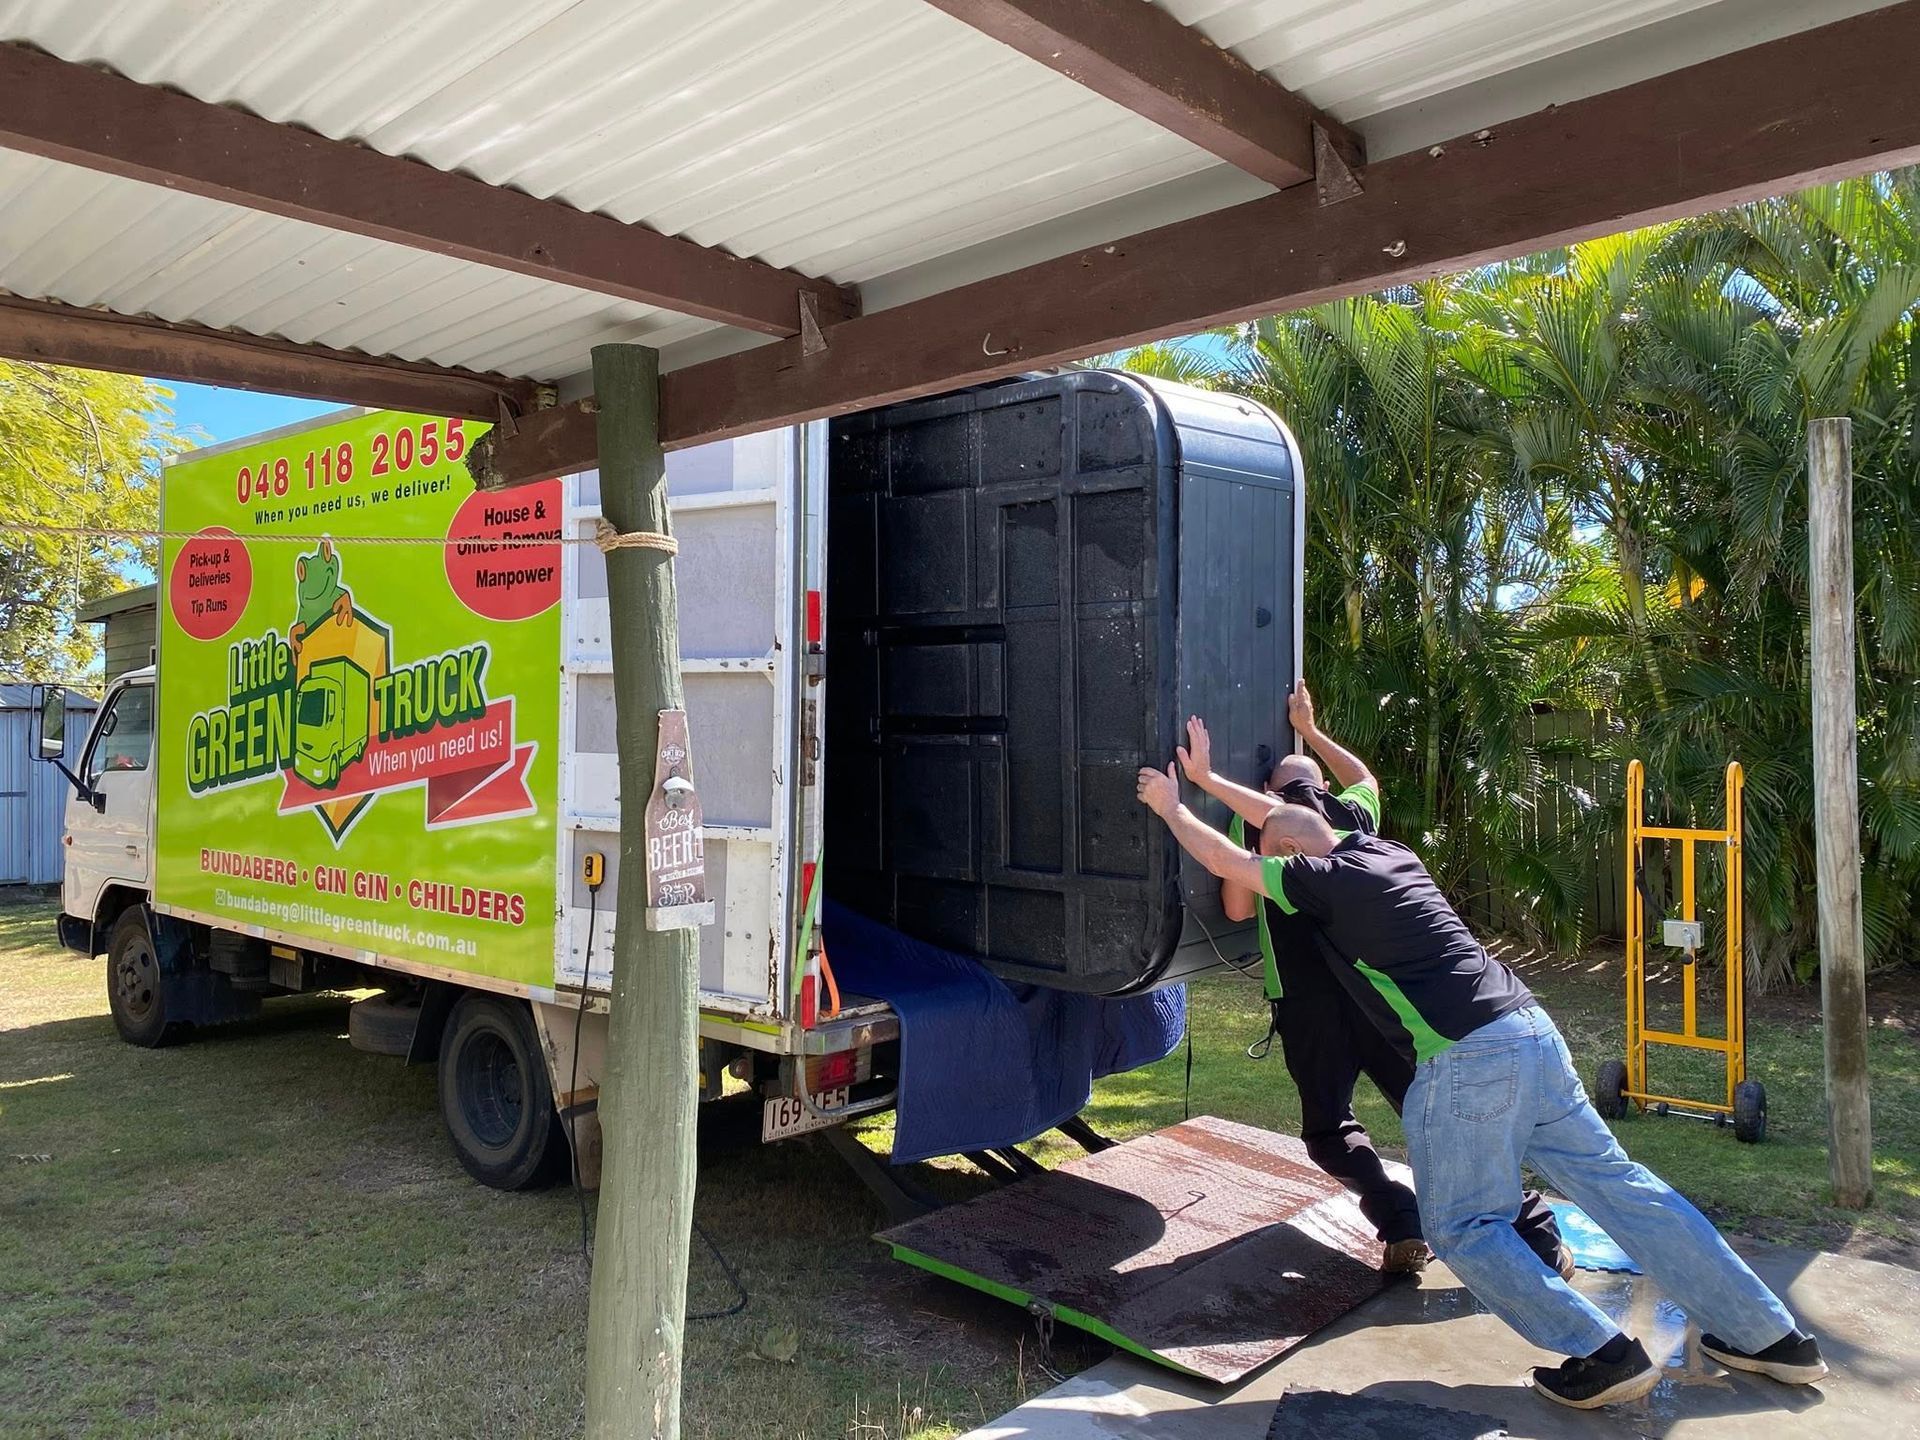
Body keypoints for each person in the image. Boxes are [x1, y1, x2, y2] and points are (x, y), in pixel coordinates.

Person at [1135, 763, 1828, 1411]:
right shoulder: (1387, 851)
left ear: (1289, 853)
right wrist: (1205, 778)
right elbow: (1292, 820)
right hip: (1531, 1030)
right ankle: (1769, 1336)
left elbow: (1232, 864)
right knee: (1621, 1186)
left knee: (1462, 1226)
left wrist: (1172, 805)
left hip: (1465, 1058)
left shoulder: (1322, 880)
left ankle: (1604, 1353)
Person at [1176, 688, 1568, 1280]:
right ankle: (1538, 1235)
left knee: (1329, 1128)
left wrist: (1214, 800)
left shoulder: (1265, 828)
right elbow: (1363, 777)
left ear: (1271, 802)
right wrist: (1308, 731)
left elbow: (1235, 907)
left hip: (1310, 1010)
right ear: (1323, 791)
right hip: (1383, 1004)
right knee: (1448, 1126)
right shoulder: (1356, 819)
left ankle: (1401, 1224)